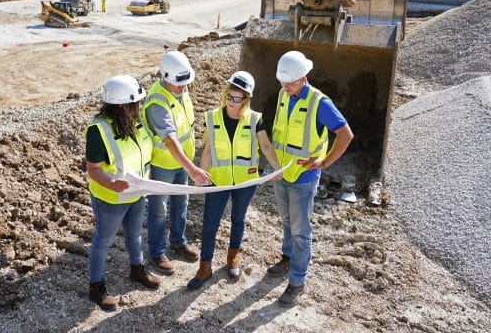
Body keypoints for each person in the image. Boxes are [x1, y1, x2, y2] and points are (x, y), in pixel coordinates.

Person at [267, 51, 354, 307]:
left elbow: (345, 134)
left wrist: (325, 162)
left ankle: (297, 281)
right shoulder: (284, 95)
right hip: (282, 173)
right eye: (282, 82)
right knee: (286, 221)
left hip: (304, 178)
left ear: (303, 77)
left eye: (290, 82)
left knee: (300, 230)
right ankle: (287, 258)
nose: (285, 87)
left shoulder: (319, 103)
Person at [187, 71, 282, 290]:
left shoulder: (255, 119)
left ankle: (233, 258)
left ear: (246, 99)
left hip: (245, 182)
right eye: (229, 96)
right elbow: (209, 150)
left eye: (237, 99)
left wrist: (277, 168)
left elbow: (266, 146)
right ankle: (205, 267)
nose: (231, 102)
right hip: (218, 181)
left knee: (238, 219)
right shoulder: (212, 117)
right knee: (209, 225)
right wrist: (201, 173)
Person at [85, 74, 160, 311]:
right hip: (111, 198)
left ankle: (137, 270)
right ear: (122, 106)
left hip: (137, 192)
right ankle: (96, 287)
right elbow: (93, 169)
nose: (140, 106)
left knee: (135, 234)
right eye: (136, 102)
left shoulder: (135, 121)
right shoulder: (99, 130)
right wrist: (112, 184)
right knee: (103, 241)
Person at [144, 51, 212, 274]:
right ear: (164, 77)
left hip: (183, 161)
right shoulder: (157, 101)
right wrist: (192, 169)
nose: (183, 88)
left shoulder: (180, 86)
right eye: (178, 84)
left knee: (180, 202)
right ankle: (156, 251)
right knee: (158, 210)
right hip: (164, 163)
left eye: (185, 83)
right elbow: (170, 140)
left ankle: (178, 241)